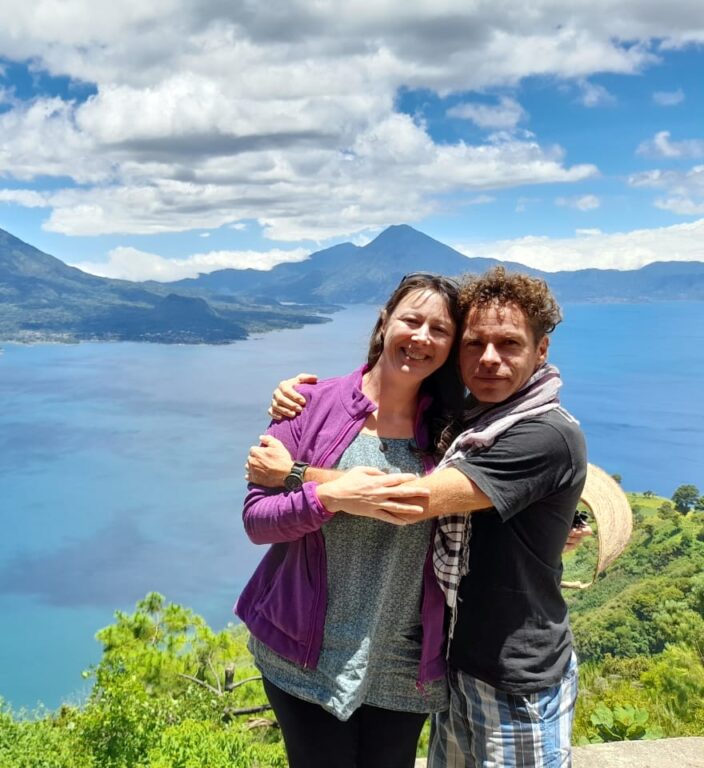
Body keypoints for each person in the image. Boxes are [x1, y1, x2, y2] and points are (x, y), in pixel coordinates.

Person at [257, 266, 588, 768]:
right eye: (475, 343)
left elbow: (413, 499)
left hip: (505, 673)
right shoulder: (468, 419)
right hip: (448, 663)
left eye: (509, 344)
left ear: (541, 350)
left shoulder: (532, 430)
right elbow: (258, 517)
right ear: (385, 321)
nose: (489, 358)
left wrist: (296, 473)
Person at [235, 273, 465, 768]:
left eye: (440, 330)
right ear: (385, 323)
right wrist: (331, 497)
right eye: (411, 320)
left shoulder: (453, 428)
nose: (422, 337)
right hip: (304, 651)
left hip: (403, 657)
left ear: (451, 346)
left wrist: (555, 531)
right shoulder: (308, 404)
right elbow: (257, 520)